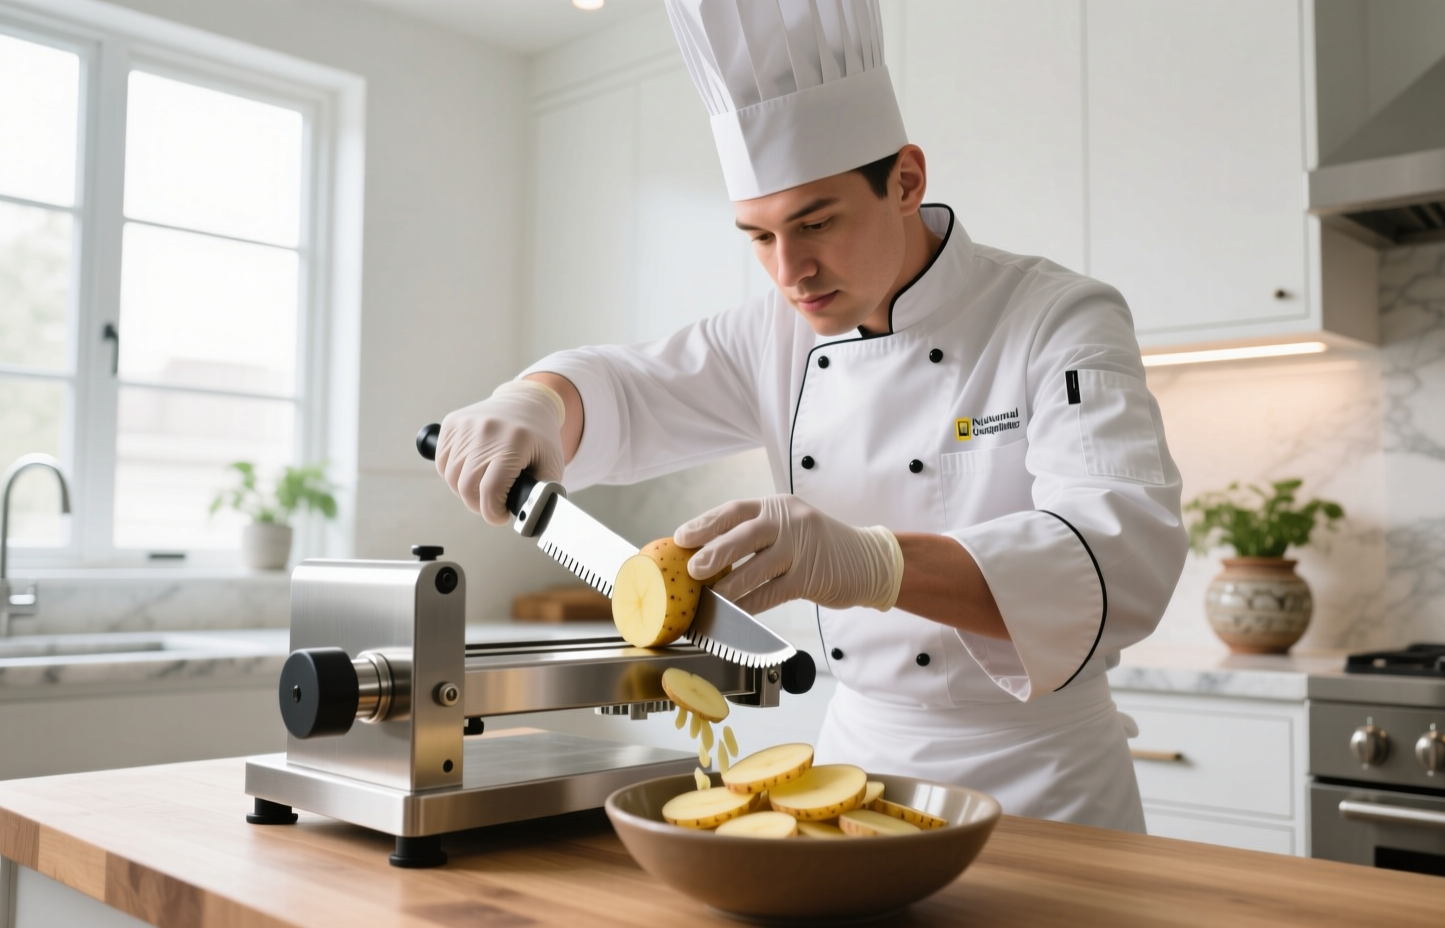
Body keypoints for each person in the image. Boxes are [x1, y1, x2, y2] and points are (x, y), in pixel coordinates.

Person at [435, 0, 1187, 832]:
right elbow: (627, 385)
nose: (790, 271)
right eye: (757, 237)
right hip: (851, 774)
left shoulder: (1057, 316)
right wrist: (535, 402)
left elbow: (1124, 558)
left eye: (815, 222)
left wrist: (873, 564)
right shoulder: (775, 331)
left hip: (1044, 782)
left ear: (906, 180)